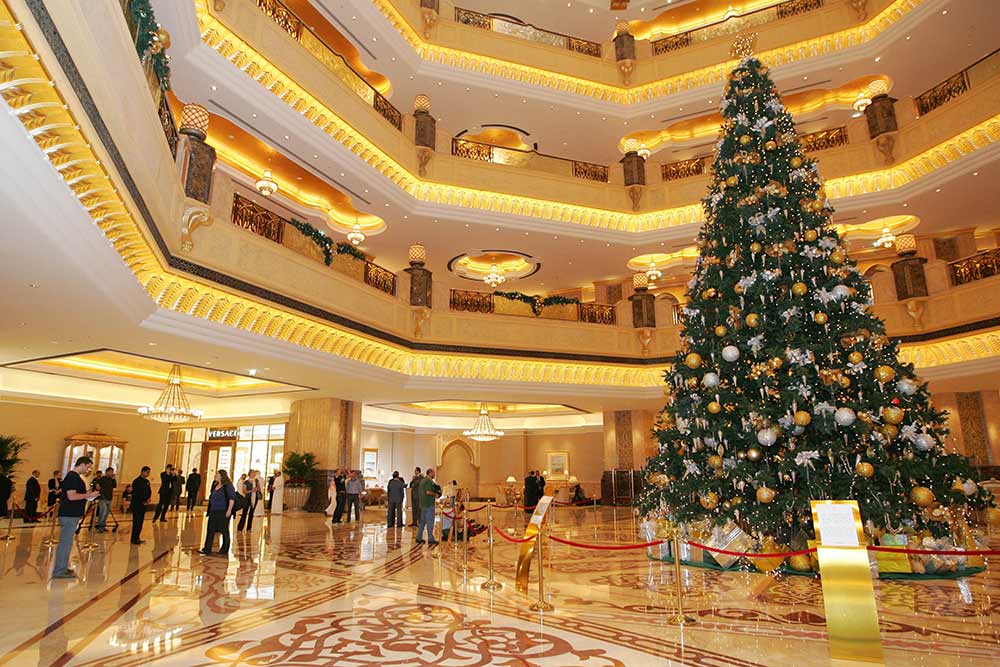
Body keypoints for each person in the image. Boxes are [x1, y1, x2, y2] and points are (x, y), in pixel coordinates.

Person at [52, 456, 100, 579]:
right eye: (88, 467)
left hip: (71, 514)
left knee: (67, 543)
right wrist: (88, 495)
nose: (88, 470)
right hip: (69, 514)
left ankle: (62, 567)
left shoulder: (74, 477)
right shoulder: (72, 477)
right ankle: (59, 571)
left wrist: (87, 495)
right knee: (65, 543)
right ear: (82, 464)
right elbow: (72, 496)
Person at [200, 469, 235, 556]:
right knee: (210, 529)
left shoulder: (228, 486)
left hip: (223, 511)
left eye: (217, 474)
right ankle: (207, 548)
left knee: (224, 530)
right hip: (213, 510)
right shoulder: (215, 484)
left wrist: (229, 510)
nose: (215, 475)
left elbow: (232, 498)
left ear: (222, 476)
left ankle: (224, 549)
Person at [416, 468, 440, 545]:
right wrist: (436, 494)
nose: (434, 474)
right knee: (430, 522)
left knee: (422, 522)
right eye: (434, 473)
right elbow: (428, 492)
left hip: (423, 504)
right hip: (429, 504)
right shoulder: (429, 481)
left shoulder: (422, 481)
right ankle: (430, 538)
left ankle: (418, 537)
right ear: (430, 473)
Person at [130, 467, 152, 545]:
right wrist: (143, 501)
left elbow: (149, 491)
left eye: (149, 472)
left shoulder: (147, 481)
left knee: (141, 522)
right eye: (147, 472)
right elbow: (136, 493)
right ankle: (133, 539)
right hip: (137, 504)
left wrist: (148, 499)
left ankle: (137, 537)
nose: (148, 474)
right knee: (136, 522)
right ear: (142, 472)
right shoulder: (136, 481)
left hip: (143, 505)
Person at [95, 467, 117, 532]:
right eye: (110, 472)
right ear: (107, 472)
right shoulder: (102, 479)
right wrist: (97, 485)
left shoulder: (112, 480)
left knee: (107, 513)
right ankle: (100, 527)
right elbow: (97, 484)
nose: (112, 473)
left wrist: (114, 479)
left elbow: (115, 486)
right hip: (102, 498)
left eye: (112, 472)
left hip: (109, 498)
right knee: (103, 511)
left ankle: (103, 526)